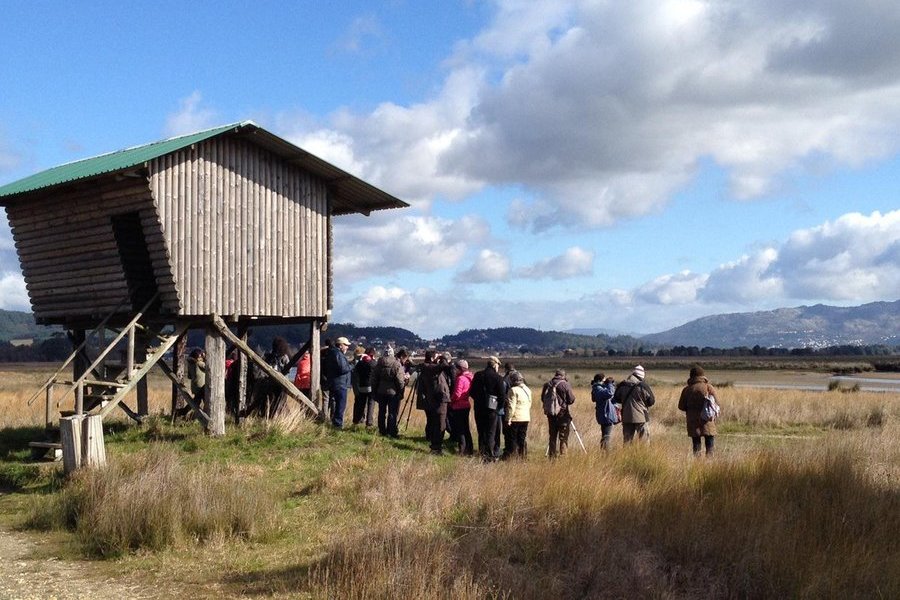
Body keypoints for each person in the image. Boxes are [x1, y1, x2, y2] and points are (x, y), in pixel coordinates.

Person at [469, 356, 505, 462]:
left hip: (479, 408)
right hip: (492, 409)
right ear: (495, 365)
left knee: (481, 431)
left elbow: (471, 392)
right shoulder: (497, 378)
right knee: (490, 432)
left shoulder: (478, 375)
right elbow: (502, 395)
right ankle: (489, 455)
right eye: (498, 365)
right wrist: (499, 407)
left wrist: (479, 400)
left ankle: (482, 452)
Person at [678, 365, 719, 456]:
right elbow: (716, 403)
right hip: (707, 419)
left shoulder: (686, 390)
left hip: (692, 421)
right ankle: (710, 462)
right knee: (709, 443)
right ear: (703, 375)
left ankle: (698, 465)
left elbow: (681, 406)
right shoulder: (708, 387)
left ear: (691, 376)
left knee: (696, 444)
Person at [420, 350, 452, 454]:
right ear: (432, 358)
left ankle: (435, 446)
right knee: (440, 424)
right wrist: (442, 358)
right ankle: (436, 447)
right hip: (438, 399)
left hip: (435, 398)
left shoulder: (429, 368)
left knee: (436, 422)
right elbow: (444, 366)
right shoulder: (428, 367)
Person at [613, 365, 655, 444]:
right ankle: (644, 455)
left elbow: (616, 398)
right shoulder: (643, 386)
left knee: (627, 441)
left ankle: (627, 455)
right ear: (641, 375)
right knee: (644, 441)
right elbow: (651, 401)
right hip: (641, 416)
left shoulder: (622, 385)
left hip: (626, 416)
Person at [370, 346, 406, 437]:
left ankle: (382, 430)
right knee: (392, 412)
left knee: (381, 412)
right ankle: (391, 431)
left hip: (381, 391)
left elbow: (374, 379)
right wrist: (401, 391)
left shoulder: (379, 364)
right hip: (393, 392)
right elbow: (400, 380)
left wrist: (374, 391)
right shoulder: (396, 364)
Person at [542, 369, 576, 458]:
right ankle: (563, 457)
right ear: (564, 375)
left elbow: (543, 398)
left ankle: (552, 457)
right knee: (563, 436)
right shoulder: (565, 384)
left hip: (551, 414)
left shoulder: (548, 384)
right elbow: (571, 399)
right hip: (563, 414)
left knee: (552, 436)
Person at [323, 336, 352, 428]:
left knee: (336, 404)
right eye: (346, 345)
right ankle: (337, 424)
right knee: (340, 405)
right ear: (340, 345)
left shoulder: (332, 353)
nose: (347, 347)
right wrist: (352, 366)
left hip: (334, 383)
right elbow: (343, 369)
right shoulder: (338, 354)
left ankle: (335, 422)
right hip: (340, 384)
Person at [448, 359, 474, 455]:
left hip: (458, 406)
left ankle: (462, 449)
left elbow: (457, 394)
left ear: (460, 369)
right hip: (466, 405)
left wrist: (451, 401)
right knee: (466, 428)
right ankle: (469, 448)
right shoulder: (470, 377)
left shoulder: (460, 379)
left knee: (460, 429)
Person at [505, 370, 532, 458]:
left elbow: (511, 406)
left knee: (513, 438)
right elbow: (529, 403)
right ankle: (523, 456)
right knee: (522, 438)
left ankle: (513, 457)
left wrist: (508, 418)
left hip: (516, 418)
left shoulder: (513, 390)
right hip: (525, 417)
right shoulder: (527, 389)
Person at [590, 373, 617, 450]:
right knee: (606, 437)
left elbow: (612, 396)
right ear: (601, 380)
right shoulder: (598, 389)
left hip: (604, 415)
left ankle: (604, 453)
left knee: (605, 435)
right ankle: (606, 455)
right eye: (604, 380)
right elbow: (610, 393)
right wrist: (609, 384)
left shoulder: (597, 388)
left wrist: (610, 384)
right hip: (606, 416)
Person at [351, 347, 376, 427]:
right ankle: (369, 423)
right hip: (371, 387)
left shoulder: (360, 363)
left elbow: (356, 373)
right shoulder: (374, 363)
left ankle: (357, 421)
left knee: (361, 404)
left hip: (361, 386)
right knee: (371, 404)